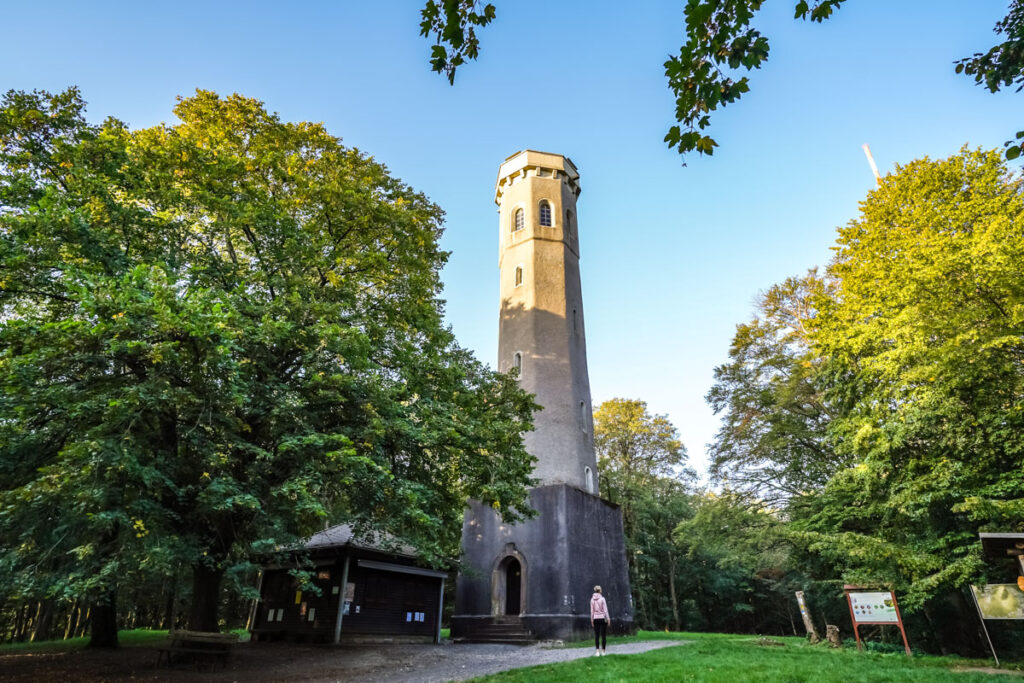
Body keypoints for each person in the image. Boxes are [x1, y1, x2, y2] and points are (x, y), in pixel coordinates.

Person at [590, 585, 610, 656]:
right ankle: (603, 652)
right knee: (603, 635)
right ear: (600, 590)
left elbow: (592, 611)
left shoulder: (592, 600)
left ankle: (597, 652)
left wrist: (592, 619)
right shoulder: (602, 599)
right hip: (602, 618)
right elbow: (605, 610)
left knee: (597, 636)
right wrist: (608, 618)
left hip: (595, 619)